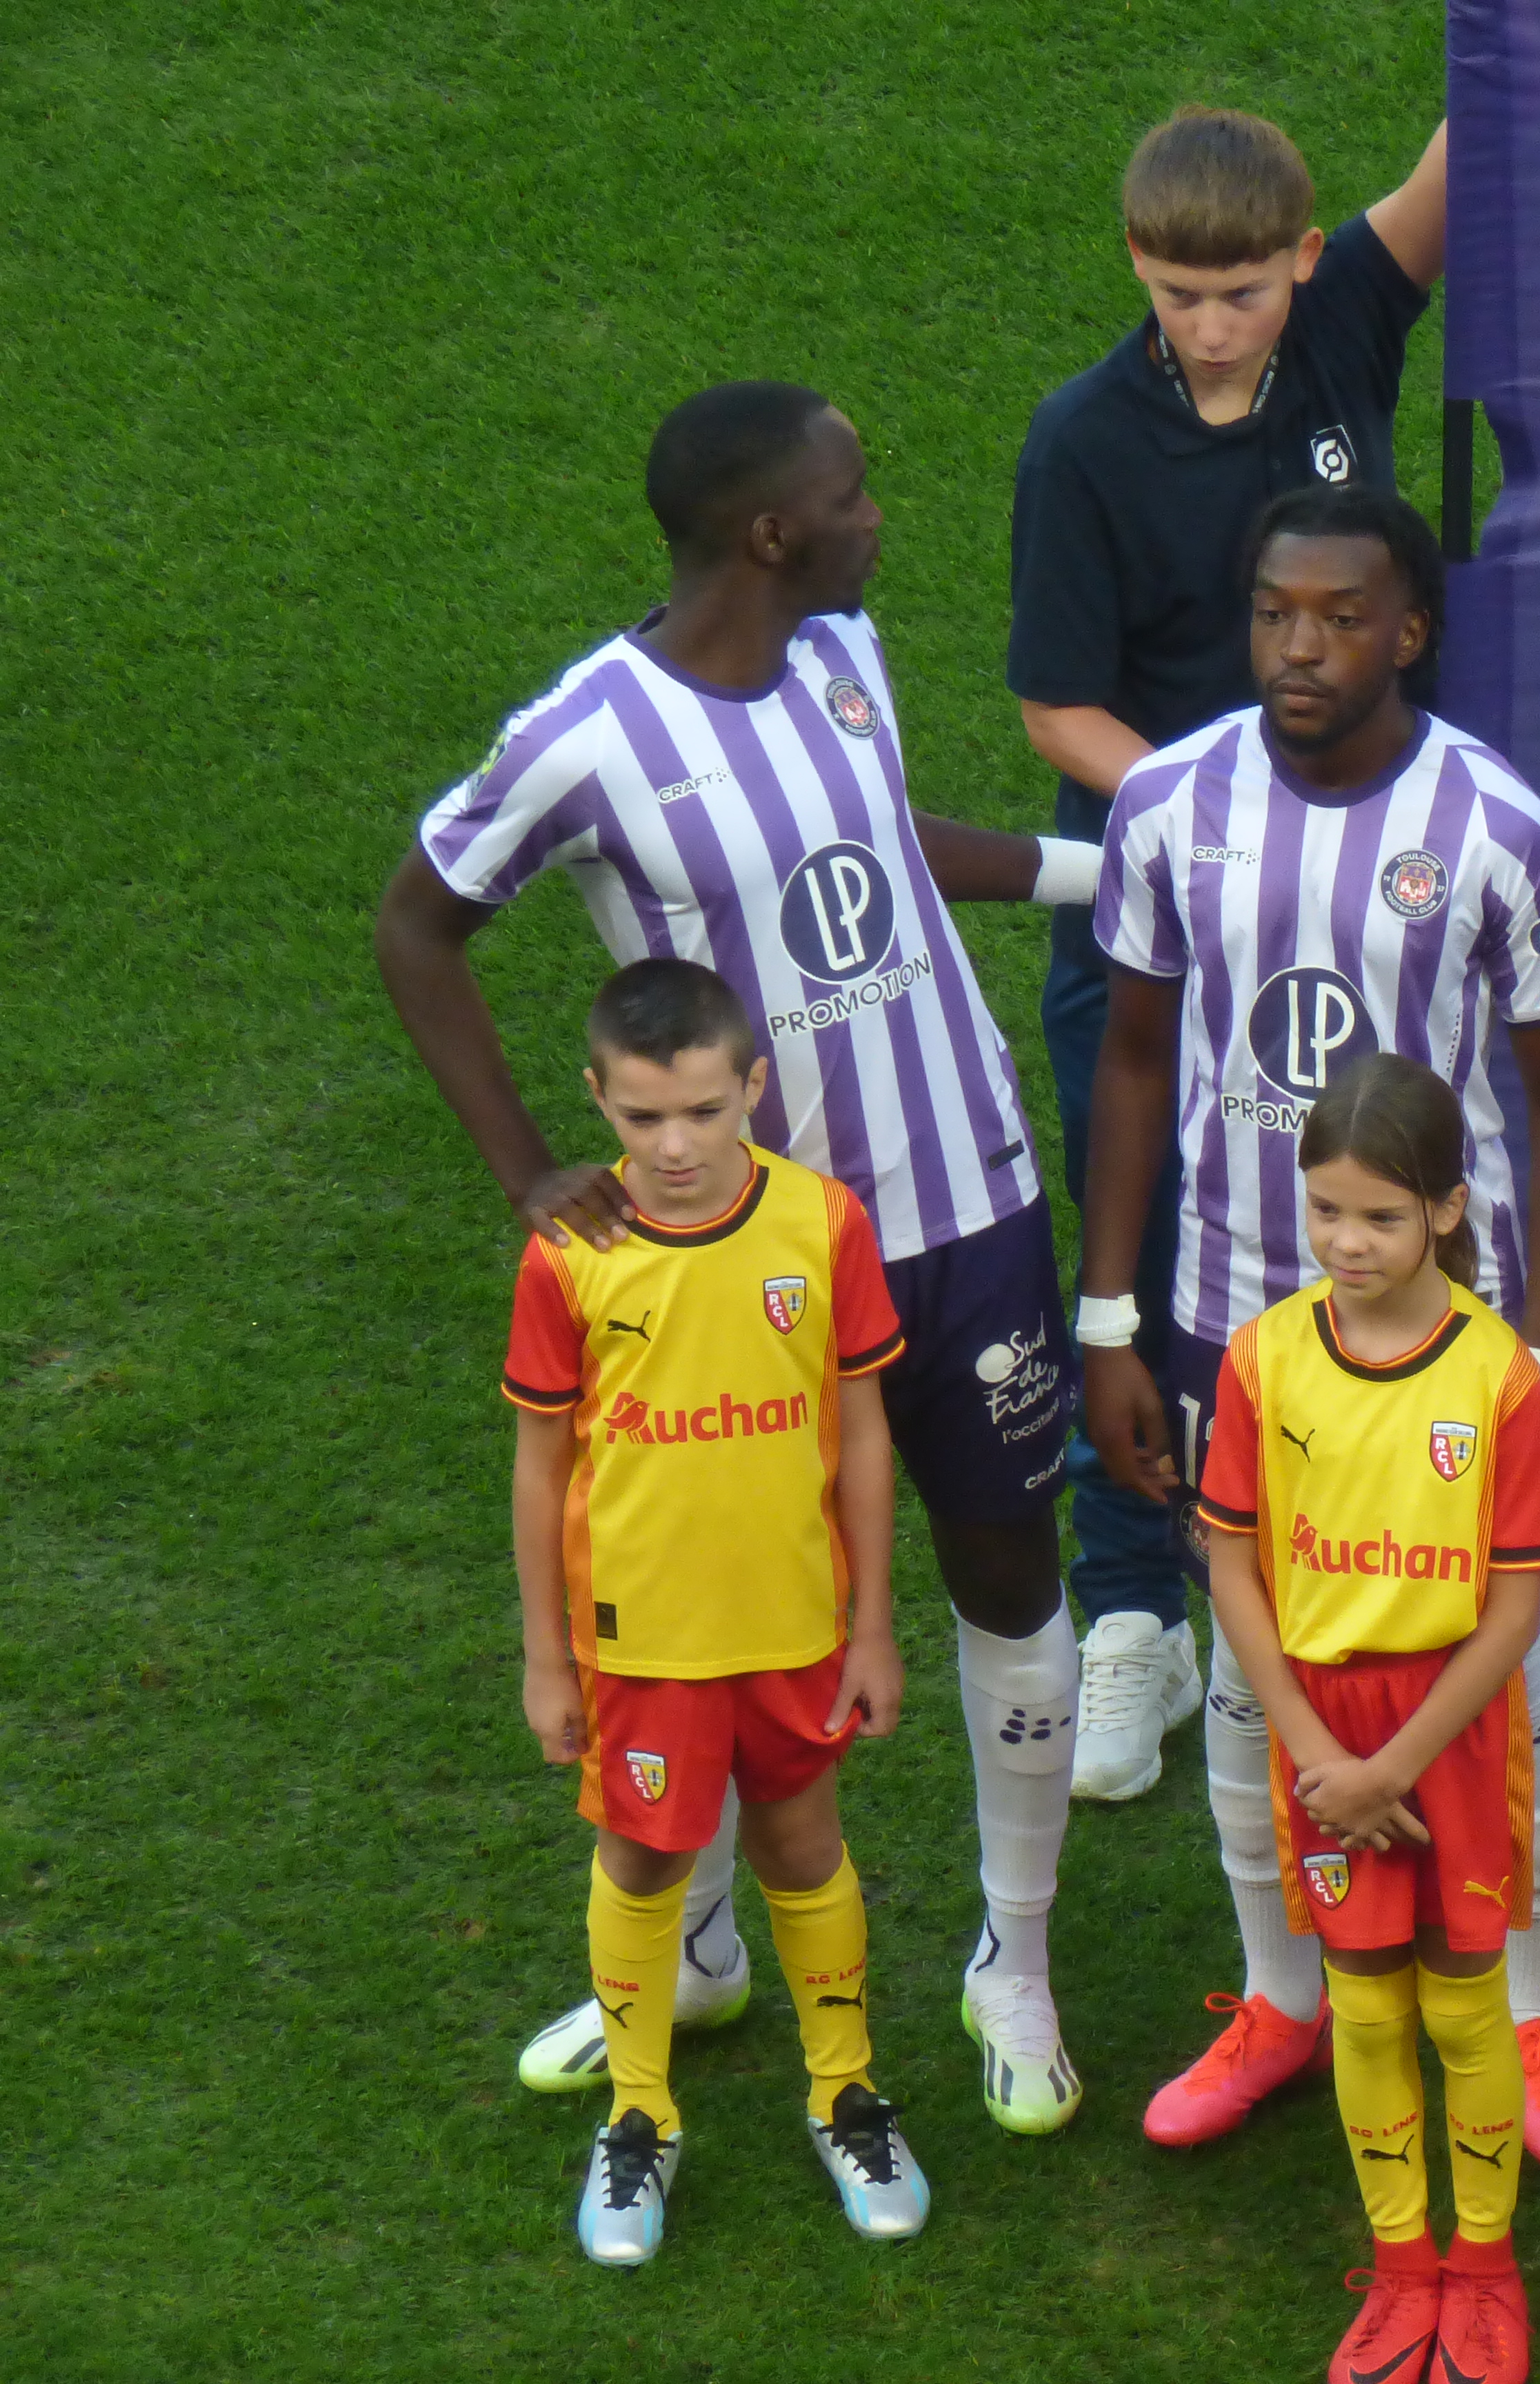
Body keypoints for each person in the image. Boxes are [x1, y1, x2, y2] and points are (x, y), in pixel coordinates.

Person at [379, 381, 1103, 2138]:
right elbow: (421, 920)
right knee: (707, 1605)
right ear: (768, 529)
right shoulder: (587, 734)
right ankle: (693, 1945)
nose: (877, 515)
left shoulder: (846, 649)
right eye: (850, 493)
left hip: (971, 1208)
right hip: (742, 1271)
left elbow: (882, 848)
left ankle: (1015, 1960)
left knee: (1008, 1573)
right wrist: (529, 1176)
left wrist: (1112, 871)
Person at [1081, 483, 1540, 2160]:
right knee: (1261, 1662)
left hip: (1453, 1339)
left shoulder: (1500, 826)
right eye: (1272, 613)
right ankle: (1283, 1996)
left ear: (1412, 631)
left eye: (1337, 616)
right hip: (1236, 1316)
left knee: (1504, 1660)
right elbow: (1134, 1060)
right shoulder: (1171, 801)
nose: (1298, 647)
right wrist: (1109, 1318)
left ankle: (1533, 2015)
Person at [1008, 105, 1449, 1802]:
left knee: (1381, 1202)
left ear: (1305, 265)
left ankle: (1379, 1555)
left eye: (1247, 291)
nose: (1214, 324)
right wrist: (1237, 804)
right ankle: (1136, 1614)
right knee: (1138, 1233)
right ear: (1137, 266)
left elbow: (1467, 149)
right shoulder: (1079, 443)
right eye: (1185, 294)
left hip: (1371, 899)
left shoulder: (1349, 319)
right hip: (1166, 914)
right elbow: (1060, 705)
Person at [506, 959, 926, 2263]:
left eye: (703, 1110)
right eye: (642, 1119)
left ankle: (845, 2092)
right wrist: (544, 1657)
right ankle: (639, 2118)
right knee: (642, 1858)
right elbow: (541, 1464)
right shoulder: (569, 1251)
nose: (676, 1145)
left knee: (802, 1842)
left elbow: (862, 1431)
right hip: (642, 1640)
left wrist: (872, 1625)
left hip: (796, 1625)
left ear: (753, 1084)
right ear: (598, 1101)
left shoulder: (821, 1222)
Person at [1195, 1055, 1540, 2384]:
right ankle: (1403, 2267)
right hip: (1321, 1733)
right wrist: (1315, 1753)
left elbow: (1514, 1612)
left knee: (1466, 2006)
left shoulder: (1497, 1376)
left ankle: (1488, 2267)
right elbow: (1231, 1561)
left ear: (1449, 1211)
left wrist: (1387, 1765)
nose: (1348, 1244)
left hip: (1444, 1731)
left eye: (1382, 1218)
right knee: (1363, 2004)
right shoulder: (1264, 1357)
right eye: (1325, 1211)